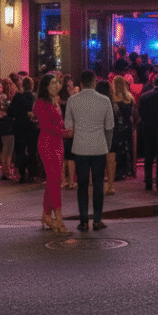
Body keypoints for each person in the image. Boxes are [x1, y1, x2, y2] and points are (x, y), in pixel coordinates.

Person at [64, 70, 114, 230]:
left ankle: (84, 221)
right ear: (94, 82)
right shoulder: (105, 100)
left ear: (82, 83)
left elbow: (68, 126)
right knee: (98, 184)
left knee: (83, 185)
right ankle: (97, 220)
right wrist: (107, 144)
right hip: (99, 147)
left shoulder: (72, 101)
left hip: (80, 148)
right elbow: (109, 126)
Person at [33, 74, 70, 233]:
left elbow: (57, 123)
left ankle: (47, 215)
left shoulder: (55, 102)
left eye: (57, 82)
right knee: (54, 180)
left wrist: (64, 132)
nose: (56, 85)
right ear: (46, 86)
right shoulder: (41, 104)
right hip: (48, 143)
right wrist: (64, 132)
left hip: (58, 142)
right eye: (53, 83)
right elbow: (46, 126)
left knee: (53, 180)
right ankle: (58, 217)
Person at [137, 75, 158, 190]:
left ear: (154, 83)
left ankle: (148, 182)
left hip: (148, 129)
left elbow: (140, 112)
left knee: (148, 157)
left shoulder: (145, 96)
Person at [9, 76, 38, 184]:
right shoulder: (35, 97)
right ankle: (32, 174)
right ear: (32, 86)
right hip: (32, 125)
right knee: (32, 149)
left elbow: (10, 111)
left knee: (20, 150)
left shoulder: (17, 97)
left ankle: (22, 173)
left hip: (19, 125)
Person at [110, 74, 136, 182]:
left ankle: (117, 171)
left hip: (116, 127)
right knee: (127, 148)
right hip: (127, 126)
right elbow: (132, 115)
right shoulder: (129, 97)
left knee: (116, 150)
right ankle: (127, 170)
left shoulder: (113, 98)